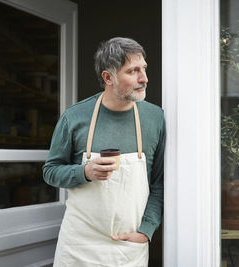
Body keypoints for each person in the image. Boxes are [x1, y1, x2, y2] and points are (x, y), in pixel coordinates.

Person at [43, 37, 165, 266]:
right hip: (79, 244)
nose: (144, 79)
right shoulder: (74, 116)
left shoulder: (155, 118)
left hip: (128, 246)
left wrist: (146, 229)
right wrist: (85, 172)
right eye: (133, 71)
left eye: (144, 69)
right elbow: (50, 171)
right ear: (108, 77)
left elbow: (159, 182)